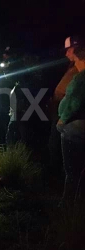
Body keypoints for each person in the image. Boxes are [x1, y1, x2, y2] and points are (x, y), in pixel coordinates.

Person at [57, 41, 85, 204]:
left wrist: (61, 120)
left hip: (75, 127)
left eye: (69, 50)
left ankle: (67, 205)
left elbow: (72, 102)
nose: (67, 54)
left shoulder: (80, 78)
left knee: (72, 170)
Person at [48, 36, 80, 176]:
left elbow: (77, 95)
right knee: (54, 143)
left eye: (69, 50)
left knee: (59, 145)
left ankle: (58, 176)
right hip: (60, 112)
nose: (66, 53)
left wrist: (65, 115)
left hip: (68, 116)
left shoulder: (81, 66)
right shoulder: (72, 65)